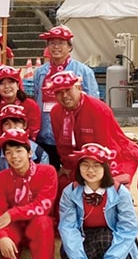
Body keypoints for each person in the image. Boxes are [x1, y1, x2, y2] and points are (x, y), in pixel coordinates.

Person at [47, 70, 138, 225]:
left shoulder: (99, 109)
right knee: (63, 184)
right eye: (59, 92)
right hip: (81, 158)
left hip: (112, 155)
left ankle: (119, 221)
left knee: (108, 188)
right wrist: (67, 165)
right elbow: (62, 144)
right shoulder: (56, 112)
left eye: (68, 90)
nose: (64, 96)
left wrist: (90, 172)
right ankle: (68, 225)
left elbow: (105, 146)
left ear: (78, 88)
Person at [58, 143, 138, 259]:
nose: (90, 170)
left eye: (96, 165)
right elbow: (68, 227)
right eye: (85, 165)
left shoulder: (120, 192)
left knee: (105, 238)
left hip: (112, 236)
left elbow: (128, 228)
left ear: (105, 167)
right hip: (82, 234)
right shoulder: (71, 191)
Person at [0, 129, 58, 259]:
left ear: (30, 153)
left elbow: (44, 205)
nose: (14, 156)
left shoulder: (48, 172)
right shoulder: (1, 177)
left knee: (44, 222)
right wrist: (3, 236)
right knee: (7, 257)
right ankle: (15, 248)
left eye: (19, 151)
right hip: (14, 225)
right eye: (8, 152)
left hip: (36, 224)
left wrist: (12, 213)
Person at [32, 25, 98, 169]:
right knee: (49, 171)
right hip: (45, 134)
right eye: (52, 43)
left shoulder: (83, 71)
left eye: (61, 43)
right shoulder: (40, 72)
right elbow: (36, 98)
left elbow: (93, 103)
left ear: (70, 47)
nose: (56, 47)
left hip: (75, 135)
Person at [0, 105, 49, 174]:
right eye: (6, 124)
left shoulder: (39, 153)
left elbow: (43, 177)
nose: (12, 127)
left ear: (24, 125)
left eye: (16, 123)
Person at [0, 65, 41, 138]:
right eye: (1, 83)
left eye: (11, 82)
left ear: (18, 85)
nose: (6, 86)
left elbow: (33, 131)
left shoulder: (31, 105)